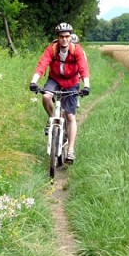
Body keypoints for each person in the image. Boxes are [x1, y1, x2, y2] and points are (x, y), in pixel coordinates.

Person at [29, 22, 90, 163]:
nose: (65, 39)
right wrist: (34, 81)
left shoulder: (77, 50)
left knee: (70, 117)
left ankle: (70, 151)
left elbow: (83, 68)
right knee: (46, 96)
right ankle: (52, 119)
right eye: (62, 36)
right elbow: (42, 64)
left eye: (67, 36)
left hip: (71, 82)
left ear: (70, 37)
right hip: (54, 79)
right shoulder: (52, 49)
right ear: (58, 37)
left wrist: (86, 85)